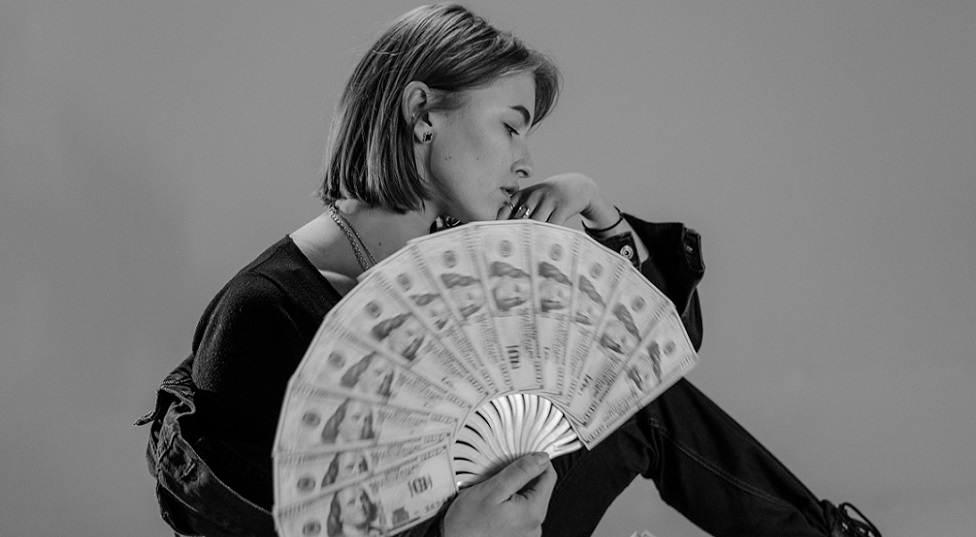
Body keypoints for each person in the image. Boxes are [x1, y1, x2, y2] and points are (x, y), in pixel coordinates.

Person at [137, 4, 881, 537]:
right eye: (510, 126)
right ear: (422, 113)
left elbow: (651, 355)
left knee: (641, 404)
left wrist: (599, 212)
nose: (526, 162)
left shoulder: (467, 266)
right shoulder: (261, 310)